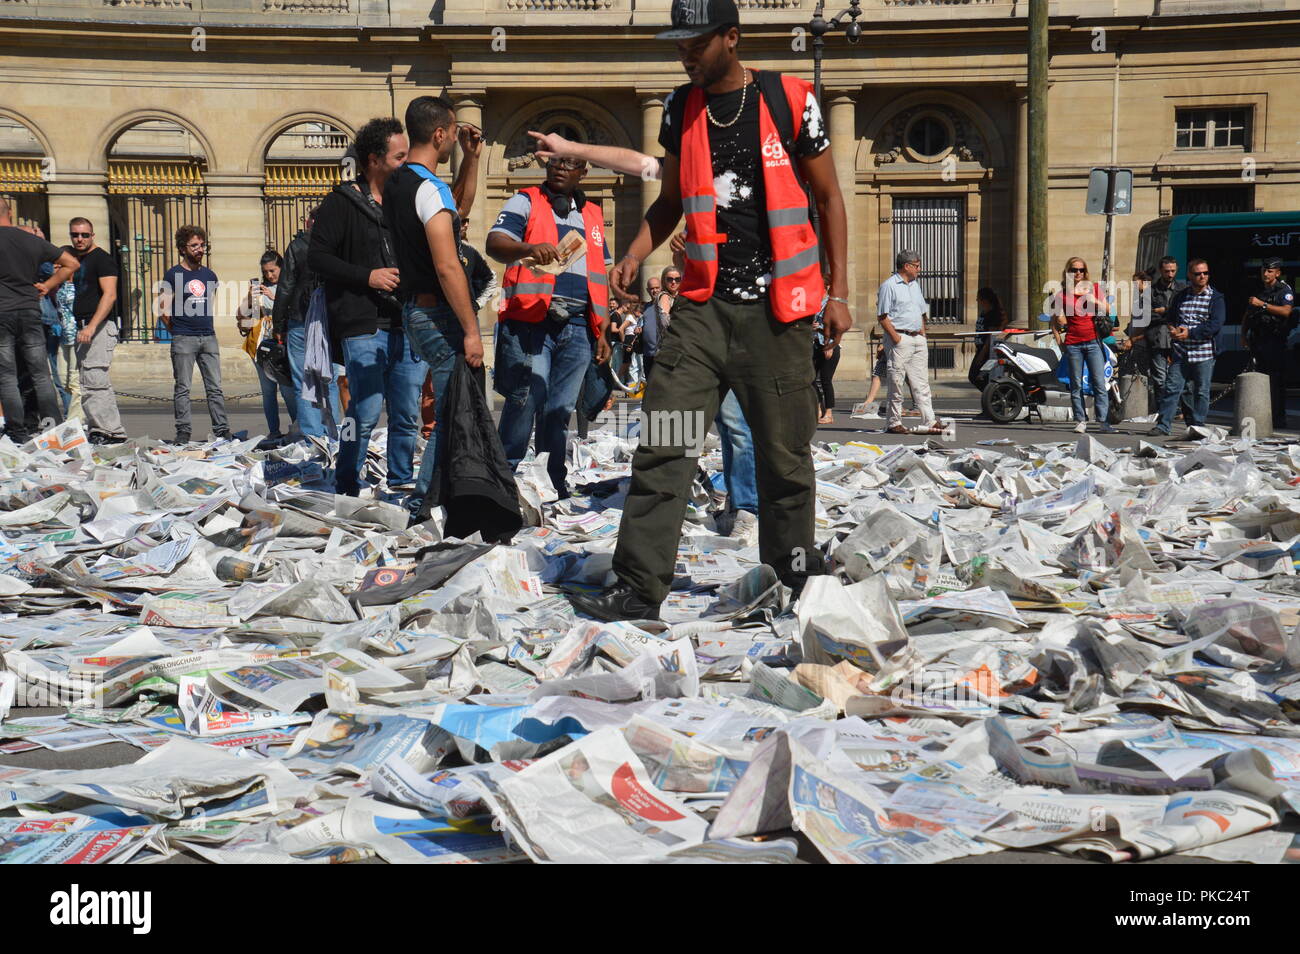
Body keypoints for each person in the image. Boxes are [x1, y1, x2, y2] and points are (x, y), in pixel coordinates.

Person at [563, 1, 851, 621]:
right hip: (699, 310)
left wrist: (841, 293)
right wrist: (636, 252)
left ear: (731, 38)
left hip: (778, 314)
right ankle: (640, 588)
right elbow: (670, 200)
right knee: (666, 443)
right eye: (678, 43)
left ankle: (793, 580)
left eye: (696, 42)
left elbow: (828, 197)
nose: (685, 53)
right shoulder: (677, 109)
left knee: (784, 458)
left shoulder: (789, 100)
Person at [382, 95, 487, 510]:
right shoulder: (428, 187)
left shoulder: (401, 184)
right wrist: (472, 331)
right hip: (436, 312)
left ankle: (439, 496)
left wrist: (472, 158)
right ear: (441, 134)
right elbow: (448, 266)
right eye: (454, 132)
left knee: (451, 407)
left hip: (413, 310)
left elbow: (455, 210)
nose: (455, 139)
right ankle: (426, 502)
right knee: (451, 410)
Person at [486, 154, 613, 497]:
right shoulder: (525, 200)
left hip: (579, 325)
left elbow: (601, 273)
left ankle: (552, 482)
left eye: (570, 163)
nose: (559, 167)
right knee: (526, 399)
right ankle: (502, 478)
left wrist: (603, 329)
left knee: (559, 410)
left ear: (584, 171)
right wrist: (528, 247)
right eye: (555, 161)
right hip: (533, 321)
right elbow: (494, 243)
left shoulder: (593, 216)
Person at [0, 199, 77, 441]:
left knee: (7, 376)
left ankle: (17, 432)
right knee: (41, 373)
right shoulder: (31, 239)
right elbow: (71, 264)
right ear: (10, 212)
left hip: (2, 313)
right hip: (30, 311)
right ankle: (54, 428)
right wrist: (46, 285)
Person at [158, 225, 230, 444]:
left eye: (202, 245)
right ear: (182, 248)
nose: (199, 249)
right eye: (194, 246)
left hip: (208, 336)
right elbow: (163, 309)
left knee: (215, 387)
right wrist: (177, 330)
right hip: (184, 338)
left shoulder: (210, 275)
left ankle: (222, 430)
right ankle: (183, 431)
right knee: (183, 388)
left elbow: (208, 302)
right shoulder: (173, 274)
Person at [64, 217, 127, 443]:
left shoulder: (102, 260)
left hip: (98, 328)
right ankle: (98, 429)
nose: (79, 239)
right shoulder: (75, 258)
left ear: (93, 236)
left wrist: (91, 326)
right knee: (87, 382)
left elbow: (109, 295)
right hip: (84, 328)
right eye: (75, 235)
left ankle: (112, 432)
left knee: (96, 380)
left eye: (84, 235)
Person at [1153, 258, 1224, 437]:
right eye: (1198, 273)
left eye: (1205, 273)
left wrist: (1190, 333)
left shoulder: (1215, 297)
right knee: (1172, 388)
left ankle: (1197, 426)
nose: (1202, 276)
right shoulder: (1181, 296)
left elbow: (1215, 324)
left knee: (1201, 391)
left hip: (1204, 352)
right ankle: (1163, 426)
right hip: (1181, 351)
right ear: (1190, 275)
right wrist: (1172, 329)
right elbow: (1171, 317)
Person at [272, 207, 327, 437]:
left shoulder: (297, 246)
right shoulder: (333, 245)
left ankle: (311, 435)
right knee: (327, 377)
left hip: (298, 319)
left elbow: (285, 287)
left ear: (309, 222)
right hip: (326, 320)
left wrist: (278, 324)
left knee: (303, 379)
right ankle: (328, 431)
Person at [879, 250, 942, 435]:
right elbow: (883, 316)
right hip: (900, 337)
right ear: (906, 266)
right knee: (896, 381)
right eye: (916, 265)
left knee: (921, 382)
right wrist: (896, 338)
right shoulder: (889, 286)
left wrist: (922, 333)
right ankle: (893, 422)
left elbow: (921, 311)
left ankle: (929, 420)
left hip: (917, 338)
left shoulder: (915, 285)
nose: (919, 269)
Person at [1051, 255, 1115, 434]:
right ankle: (1080, 420)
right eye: (1073, 270)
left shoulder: (1094, 288)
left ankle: (1103, 421)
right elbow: (1054, 319)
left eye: (1081, 270)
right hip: (1073, 343)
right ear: (1067, 272)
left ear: (1085, 272)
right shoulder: (1062, 294)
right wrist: (1059, 340)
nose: (1077, 273)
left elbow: (1109, 310)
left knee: (1099, 383)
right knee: (1076, 384)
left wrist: (1094, 301)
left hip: (1093, 341)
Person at [240, 249, 297, 441]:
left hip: (283, 347)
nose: (269, 275)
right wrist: (250, 298)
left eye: (273, 270)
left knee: (288, 390)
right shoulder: (259, 290)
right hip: (263, 348)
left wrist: (276, 299)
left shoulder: (289, 287)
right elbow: (244, 316)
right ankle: (274, 430)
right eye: (265, 272)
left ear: (282, 267)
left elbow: (295, 311)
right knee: (268, 391)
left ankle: (297, 426)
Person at [1243, 255, 1296, 429]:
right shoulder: (1260, 290)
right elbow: (1248, 314)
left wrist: (1263, 305)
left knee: (1276, 382)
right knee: (1259, 380)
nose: (1265, 273)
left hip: (1275, 341)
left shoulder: (1283, 290)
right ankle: (1261, 416)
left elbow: (1286, 311)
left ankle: (1278, 418)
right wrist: (1244, 334)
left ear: (1277, 273)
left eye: (1269, 271)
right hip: (1258, 340)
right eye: (1263, 270)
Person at [1146, 255, 1185, 410]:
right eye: (1167, 271)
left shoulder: (1182, 289)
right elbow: (1146, 314)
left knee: (1176, 377)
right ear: (1161, 271)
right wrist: (1169, 314)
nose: (1170, 274)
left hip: (1178, 338)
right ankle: (1164, 409)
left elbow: (1183, 312)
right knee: (1160, 378)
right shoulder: (1151, 291)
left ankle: (1176, 407)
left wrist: (1165, 311)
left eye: (1173, 271)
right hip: (1157, 338)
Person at [813, 271, 840, 425]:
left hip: (829, 344)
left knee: (825, 379)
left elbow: (836, 326)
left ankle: (828, 413)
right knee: (810, 378)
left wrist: (830, 345)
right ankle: (818, 408)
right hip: (816, 344)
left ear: (827, 287)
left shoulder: (831, 304)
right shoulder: (815, 303)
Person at [968, 286, 1006, 392]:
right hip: (980, 349)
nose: (977, 300)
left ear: (984, 300)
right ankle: (994, 396)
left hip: (986, 351)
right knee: (977, 376)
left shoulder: (992, 314)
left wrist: (982, 354)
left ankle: (994, 395)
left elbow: (991, 337)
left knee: (975, 376)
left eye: (978, 298)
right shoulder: (984, 312)